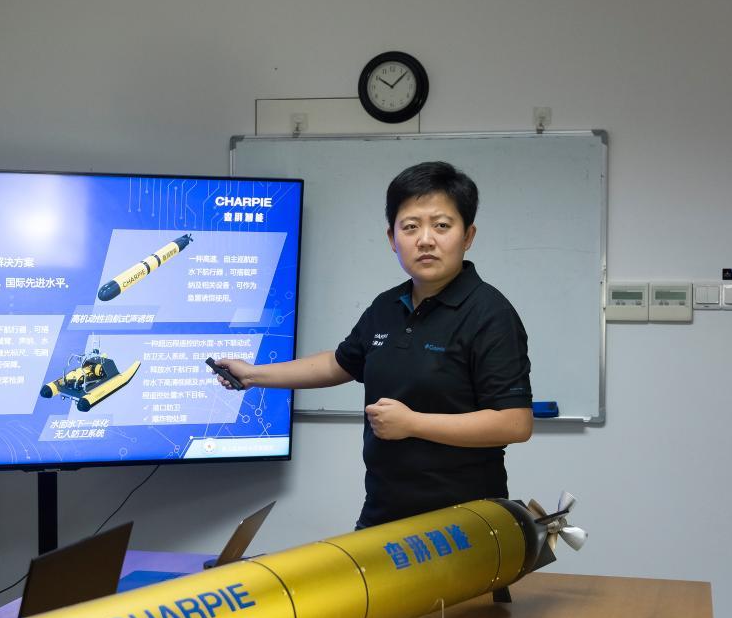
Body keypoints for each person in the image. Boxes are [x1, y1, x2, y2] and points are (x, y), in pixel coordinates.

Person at [215, 161, 533, 529]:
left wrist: (413, 424)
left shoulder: (490, 313)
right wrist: (253, 375)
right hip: (384, 511)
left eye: (441, 226)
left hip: (464, 521)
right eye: (410, 227)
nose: (425, 239)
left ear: (468, 236)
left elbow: (514, 423)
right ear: (392, 239)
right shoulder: (387, 306)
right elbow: (339, 364)